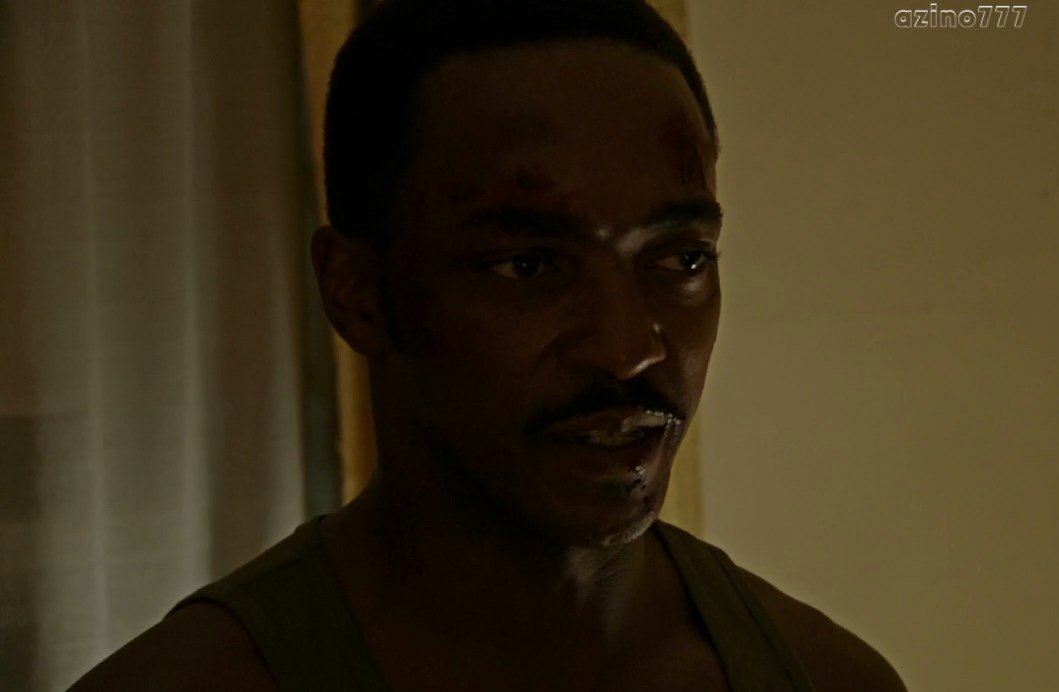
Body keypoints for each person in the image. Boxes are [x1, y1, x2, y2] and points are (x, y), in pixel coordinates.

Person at [72, 1, 906, 689]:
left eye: (681, 260)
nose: (628, 350)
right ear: (355, 292)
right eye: (529, 265)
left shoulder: (827, 678)